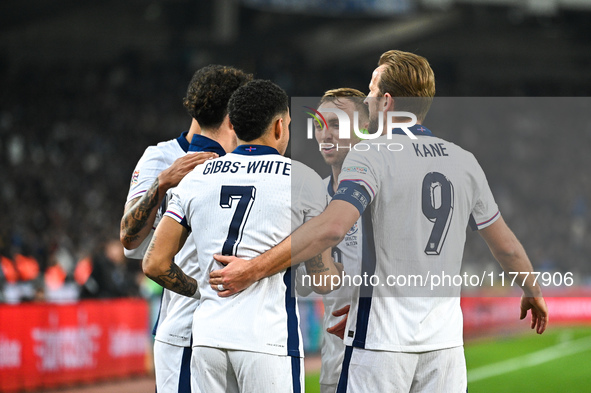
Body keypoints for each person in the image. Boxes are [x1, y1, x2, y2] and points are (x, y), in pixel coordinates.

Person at [210, 50, 549, 392]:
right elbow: (504, 246)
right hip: (445, 349)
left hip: (380, 345)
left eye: (371, 92)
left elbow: (331, 228)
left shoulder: (370, 154)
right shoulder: (464, 161)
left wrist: (252, 269)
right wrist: (531, 289)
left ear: (387, 101)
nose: (367, 99)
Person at [142, 79, 341, 393]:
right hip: (267, 341)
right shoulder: (303, 180)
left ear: (231, 125)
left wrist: (202, 290)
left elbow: (154, 263)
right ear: (279, 127)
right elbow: (322, 278)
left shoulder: (196, 179)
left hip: (207, 340)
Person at [120, 64, 252, 393]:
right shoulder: (160, 157)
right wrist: (162, 183)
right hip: (184, 330)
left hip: (234, 331)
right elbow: (128, 239)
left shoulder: (246, 162)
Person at [308, 87, 368, 393]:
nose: (325, 134)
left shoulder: (387, 194)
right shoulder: (312, 198)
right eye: (320, 125)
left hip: (385, 357)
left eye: (336, 124)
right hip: (336, 358)